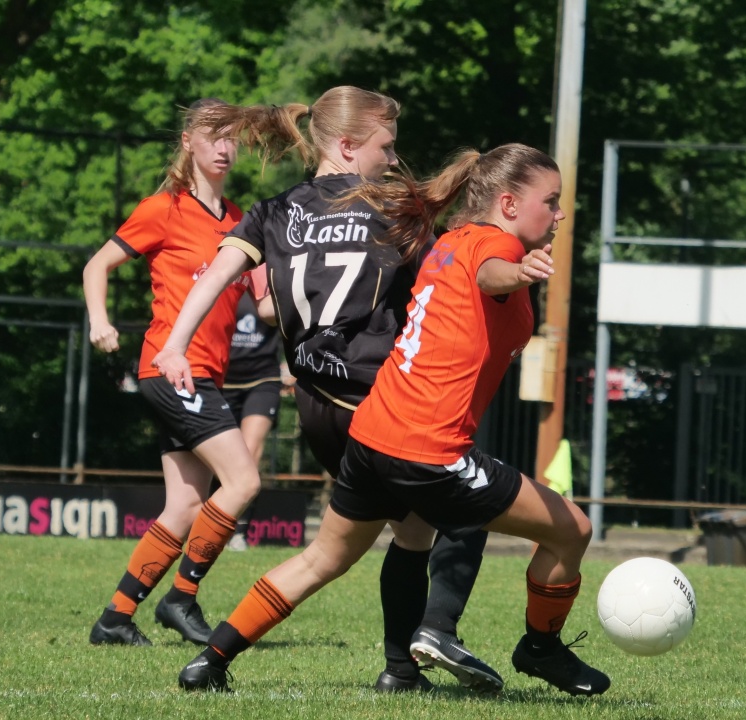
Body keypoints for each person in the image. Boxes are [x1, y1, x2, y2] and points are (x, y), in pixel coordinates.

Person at [170, 143, 611, 697]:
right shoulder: (494, 247)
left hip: (373, 434)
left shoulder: (449, 243)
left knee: (325, 557)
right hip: (430, 447)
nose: (560, 214)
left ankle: (211, 660)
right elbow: (493, 274)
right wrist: (520, 271)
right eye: (552, 201)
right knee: (573, 530)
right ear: (507, 203)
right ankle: (533, 647)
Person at [150, 86, 499, 693]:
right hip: (382, 405)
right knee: (469, 506)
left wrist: (174, 345)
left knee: (372, 542)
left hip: (316, 409)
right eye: (385, 147)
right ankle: (432, 635)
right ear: (345, 144)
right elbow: (450, 278)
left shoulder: (272, 210)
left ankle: (224, 660)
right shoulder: (392, 208)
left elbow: (215, 278)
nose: (393, 160)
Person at [82, 98, 267, 647]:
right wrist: (99, 320)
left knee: (186, 504)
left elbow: (268, 304)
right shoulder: (163, 208)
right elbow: (97, 265)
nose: (226, 147)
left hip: (207, 376)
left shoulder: (240, 220)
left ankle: (114, 619)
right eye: (215, 135)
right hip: (169, 368)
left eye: (233, 138)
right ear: (188, 141)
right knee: (245, 480)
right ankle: (180, 599)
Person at [219, 264, 290, 552]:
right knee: (221, 460)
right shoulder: (219, 279)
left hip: (263, 379)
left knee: (250, 452)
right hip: (222, 380)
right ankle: (215, 525)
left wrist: (294, 365)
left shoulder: (271, 279)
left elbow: (295, 320)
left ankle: (239, 531)